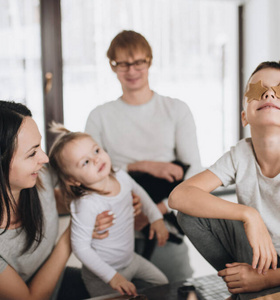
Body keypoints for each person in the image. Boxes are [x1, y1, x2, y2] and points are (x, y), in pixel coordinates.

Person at [169, 61, 280, 299]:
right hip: (262, 258)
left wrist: (265, 279)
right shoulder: (240, 154)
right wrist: (249, 214)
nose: (269, 93)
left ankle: (254, 285)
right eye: (258, 89)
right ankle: (241, 281)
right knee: (190, 213)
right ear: (245, 116)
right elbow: (179, 196)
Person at [0, 100, 116, 300]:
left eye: (40, 146)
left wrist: (113, 196)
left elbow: (61, 199)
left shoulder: (38, 177)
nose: (44, 158)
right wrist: (77, 230)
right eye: (32, 153)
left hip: (59, 283)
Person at [85, 30, 202, 282]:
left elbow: (195, 176)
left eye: (139, 62)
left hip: (165, 224)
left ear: (149, 61)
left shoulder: (176, 109)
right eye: (123, 64)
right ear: (112, 66)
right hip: (113, 227)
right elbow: (87, 174)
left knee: (179, 291)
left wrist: (155, 212)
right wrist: (145, 166)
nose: (132, 70)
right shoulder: (99, 116)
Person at [48, 124, 169, 297]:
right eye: (86, 162)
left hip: (131, 260)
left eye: (96, 151)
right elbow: (80, 247)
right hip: (102, 275)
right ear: (73, 180)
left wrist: (156, 218)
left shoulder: (120, 175)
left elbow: (140, 192)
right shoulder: (86, 204)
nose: (96, 159)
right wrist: (112, 277)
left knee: (162, 284)